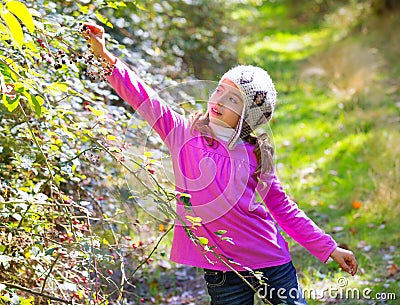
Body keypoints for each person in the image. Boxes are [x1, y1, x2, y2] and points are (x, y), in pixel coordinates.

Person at [82, 23, 358, 305]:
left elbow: (283, 209)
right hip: (222, 269)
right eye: (220, 90)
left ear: (248, 117)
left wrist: (329, 248)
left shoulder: (255, 154)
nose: (219, 100)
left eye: (233, 100)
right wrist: (105, 56)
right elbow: (143, 96)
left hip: (271, 258)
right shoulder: (182, 134)